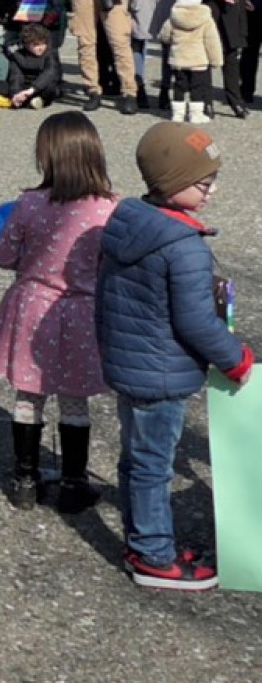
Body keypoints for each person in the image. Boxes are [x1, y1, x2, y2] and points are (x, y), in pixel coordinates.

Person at [98, 123, 252, 589]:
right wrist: (235, 358)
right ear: (172, 184)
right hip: (162, 374)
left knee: (136, 460)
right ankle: (153, 556)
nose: (212, 190)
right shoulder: (183, 247)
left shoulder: (132, 221)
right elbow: (196, 322)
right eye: (203, 184)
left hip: (131, 365)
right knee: (152, 466)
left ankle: (144, 538)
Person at [0, 113, 117, 512]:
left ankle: (25, 479)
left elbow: (4, 254)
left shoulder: (29, 203)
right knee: (75, 399)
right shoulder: (111, 209)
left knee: (29, 393)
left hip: (33, 309)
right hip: (82, 312)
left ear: (48, 156)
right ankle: (74, 483)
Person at [159, 0, 221, 125]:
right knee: (197, 87)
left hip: (179, 59)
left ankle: (178, 114)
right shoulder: (205, 18)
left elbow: (164, 36)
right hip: (198, 60)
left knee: (179, 86)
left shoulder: (173, 17)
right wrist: (216, 60)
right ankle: (196, 114)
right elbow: (212, 41)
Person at [3, 23, 62, 110]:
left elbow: (50, 73)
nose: (41, 47)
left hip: (41, 86)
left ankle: (41, 101)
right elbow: (15, 76)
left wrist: (33, 89)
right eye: (36, 45)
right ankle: (22, 101)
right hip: (25, 86)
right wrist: (16, 93)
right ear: (27, 45)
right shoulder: (18, 55)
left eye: (43, 43)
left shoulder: (51, 53)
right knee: (0, 86)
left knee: (51, 87)